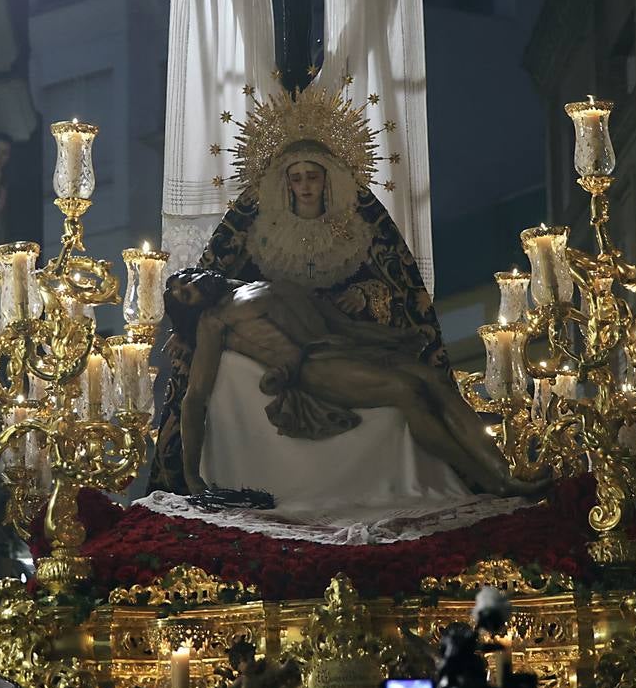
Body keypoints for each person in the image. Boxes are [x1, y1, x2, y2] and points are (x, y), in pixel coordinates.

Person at [152, 137, 446, 494]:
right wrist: (185, 327)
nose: (305, 186)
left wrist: (366, 295)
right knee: (409, 389)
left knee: (430, 381)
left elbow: (395, 283)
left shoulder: (359, 225)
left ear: (328, 180)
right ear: (286, 184)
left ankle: (488, 475)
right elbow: (220, 283)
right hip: (307, 349)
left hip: (343, 328)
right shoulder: (258, 232)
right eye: (297, 178)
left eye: (313, 177)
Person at [165, 268, 544, 498]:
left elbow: (336, 323)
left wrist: (394, 339)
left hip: (337, 346)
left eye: (184, 280)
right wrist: (191, 473)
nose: (190, 286)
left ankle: (503, 471)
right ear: (192, 308)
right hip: (313, 369)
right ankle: (490, 484)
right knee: (407, 392)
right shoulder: (213, 322)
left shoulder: (255, 285)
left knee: (433, 380)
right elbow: (195, 398)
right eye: (184, 295)